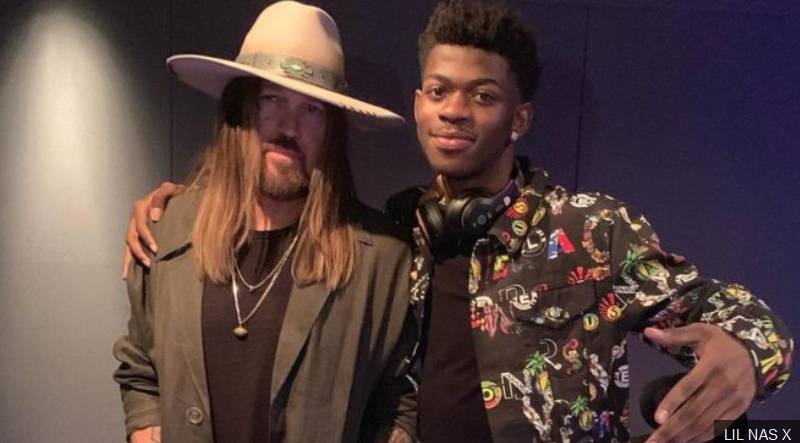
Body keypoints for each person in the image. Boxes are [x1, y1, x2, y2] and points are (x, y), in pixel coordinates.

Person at [123, 1, 793, 442]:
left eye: (483, 95)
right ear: (419, 103)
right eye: (440, 91)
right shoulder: (400, 227)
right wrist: (183, 203)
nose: (454, 110)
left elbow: (728, 312)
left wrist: (750, 353)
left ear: (519, 117)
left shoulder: (591, 230)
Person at [112, 2, 416, 442]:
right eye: (271, 99)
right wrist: (146, 428)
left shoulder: (382, 258)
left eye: (312, 110)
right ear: (240, 111)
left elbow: (400, 400)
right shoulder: (168, 230)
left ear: (332, 131)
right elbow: (140, 367)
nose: (287, 126)